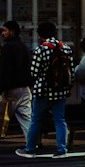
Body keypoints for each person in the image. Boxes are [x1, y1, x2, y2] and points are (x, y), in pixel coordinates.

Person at [20, 21, 72, 157]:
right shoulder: (66, 48)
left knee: (35, 120)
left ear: (40, 35)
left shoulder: (41, 50)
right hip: (61, 91)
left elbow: (34, 73)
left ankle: (30, 149)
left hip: (42, 91)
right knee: (60, 121)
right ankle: (62, 150)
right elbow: (70, 70)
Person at [0, 21, 31, 151]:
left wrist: (0, 89)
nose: (2, 33)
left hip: (10, 89)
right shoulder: (23, 47)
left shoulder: (8, 48)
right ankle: (32, 142)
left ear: (12, 31)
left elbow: (5, 71)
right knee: (27, 118)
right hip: (24, 88)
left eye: (5, 30)